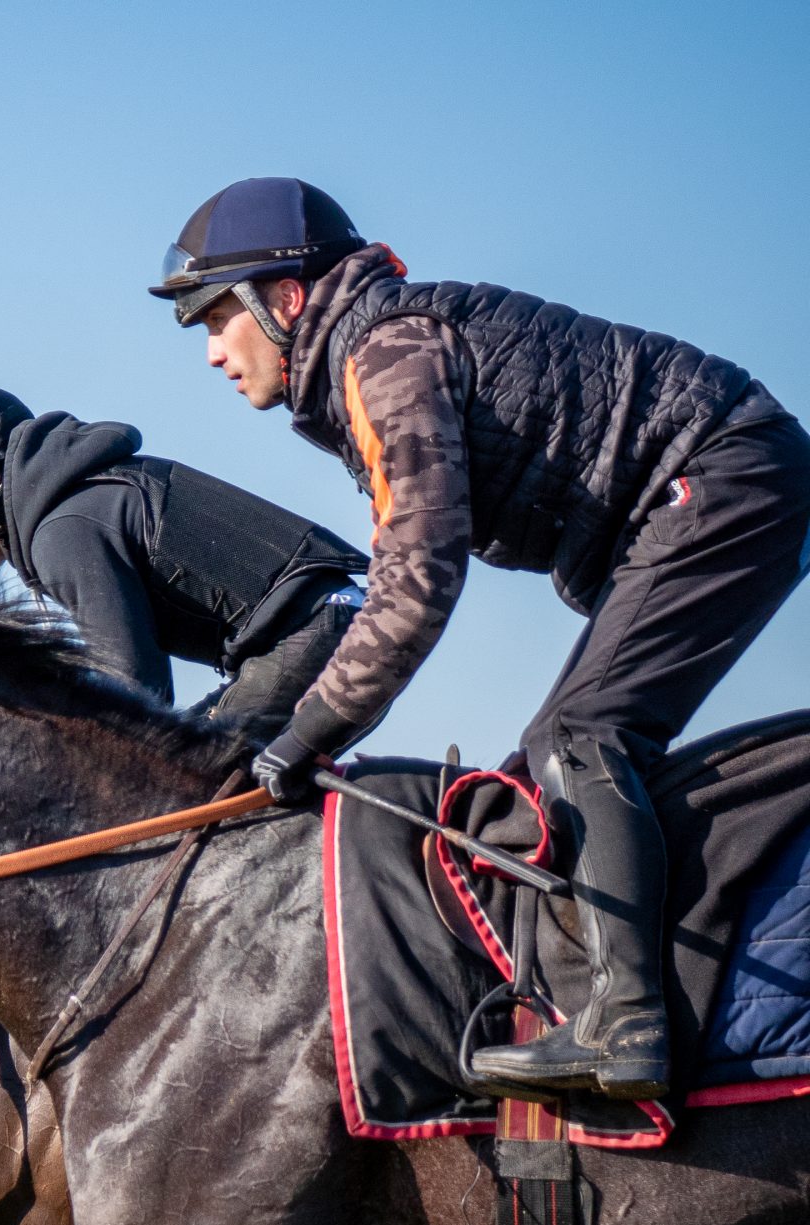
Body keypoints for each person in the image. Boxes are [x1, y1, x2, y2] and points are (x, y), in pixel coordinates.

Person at [154, 179, 810, 1099]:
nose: (214, 350)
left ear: (287, 298)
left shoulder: (385, 354)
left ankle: (630, 1024)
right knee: (552, 757)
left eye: (217, 318)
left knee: (579, 743)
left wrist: (305, 735)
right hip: (719, 478)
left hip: (722, 474)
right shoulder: (368, 354)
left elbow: (417, 582)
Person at [0, 383, 367, 737]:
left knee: (178, 789)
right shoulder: (75, 504)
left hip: (312, 634)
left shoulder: (62, 531)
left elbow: (135, 694)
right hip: (325, 627)